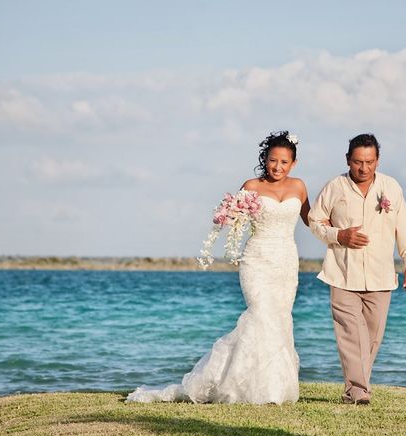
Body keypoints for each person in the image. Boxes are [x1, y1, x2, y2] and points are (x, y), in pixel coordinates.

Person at [126, 131, 310, 404]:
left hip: (285, 261)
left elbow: (313, 220)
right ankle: (248, 389)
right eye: (273, 161)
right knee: (260, 315)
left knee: (280, 319)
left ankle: (274, 389)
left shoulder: (299, 187)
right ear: (265, 159)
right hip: (257, 259)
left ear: (293, 163)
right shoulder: (251, 185)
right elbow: (232, 219)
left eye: (284, 162)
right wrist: (228, 214)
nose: (278, 167)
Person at [308, 133, 406, 405]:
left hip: (381, 276)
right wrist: (339, 236)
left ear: (377, 160)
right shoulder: (335, 187)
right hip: (342, 273)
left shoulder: (392, 188)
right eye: (358, 162)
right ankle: (357, 392)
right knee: (349, 335)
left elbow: (403, 227)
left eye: (369, 162)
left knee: (371, 338)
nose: (363, 168)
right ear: (348, 160)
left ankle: (356, 388)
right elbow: (314, 221)